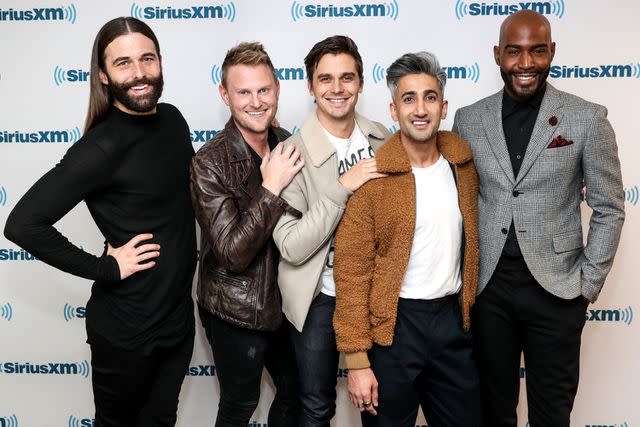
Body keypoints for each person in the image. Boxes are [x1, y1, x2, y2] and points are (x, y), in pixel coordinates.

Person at [3, 17, 196, 427]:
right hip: (127, 331)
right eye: (123, 63)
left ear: (161, 62)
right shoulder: (100, 147)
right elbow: (22, 224)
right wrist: (105, 267)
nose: (140, 73)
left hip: (177, 323)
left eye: (147, 59)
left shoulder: (174, 120)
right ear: (104, 76)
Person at [452, 10, 625, 427]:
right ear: (497, 55)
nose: (526, 63)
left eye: (537, 51)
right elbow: (457, 201)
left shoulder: (587, 118)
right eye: (514, 52)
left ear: (552, 53)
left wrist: (587, 285)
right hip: (489, 291)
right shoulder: (468, 120)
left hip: (558, 292)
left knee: (551, 413)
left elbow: (609, 207)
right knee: (494, 411)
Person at [333, 51, 481, 427]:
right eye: (408, 98)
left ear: (444, 107)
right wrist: (356, 361)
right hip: (394, 330)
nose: (420, 108)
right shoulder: (374, 180)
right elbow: (350, 272)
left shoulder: (462, 166)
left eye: (430, 97)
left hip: (452, 323)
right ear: (393, 110)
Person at [272, 35, 390, 426]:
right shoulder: (288, 154)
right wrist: (343, 187)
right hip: (318, 296)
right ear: (310, 86)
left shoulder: (385, 141)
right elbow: (291, 246)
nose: (337, 89)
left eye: (346, 78)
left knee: (380, 401)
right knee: (316, 407)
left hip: (377, 294)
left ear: (361, 81)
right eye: (325, 79)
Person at [189, 42, 303, 427]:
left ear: (277, 89)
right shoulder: (209, 162)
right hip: (235, 309)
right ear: (226, 95)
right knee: (240, 404)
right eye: (243, 92)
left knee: (295, 393)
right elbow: (233, 253)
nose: (256, 102)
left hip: (287, 303)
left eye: (264, 90)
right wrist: (270, 189)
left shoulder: (288, 143)